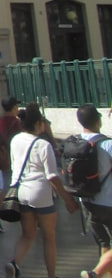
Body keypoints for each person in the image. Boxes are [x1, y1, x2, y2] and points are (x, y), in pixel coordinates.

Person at [4, 104, 78, 278]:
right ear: (38, 123)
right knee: (49, 236)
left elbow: (15, 165)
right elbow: (52, 176)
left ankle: (14, 262)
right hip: (41, 193)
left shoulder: (16, 139)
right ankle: (51, 275)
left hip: (21, 192)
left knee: (28, 235)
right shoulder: (43, 144)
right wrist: (67, 198)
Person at [76, 104, 112, 278]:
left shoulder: (74, 143)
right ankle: (96, 273)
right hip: (108, 201)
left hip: (87, 201)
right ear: (98, 121)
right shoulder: (108, 144)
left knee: (104, 243)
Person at [0, 97, 23, 233]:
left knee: (6, 186)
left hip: (3, 157)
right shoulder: (17, 123)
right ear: (14, 107)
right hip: (13, 158)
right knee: (9, 188)